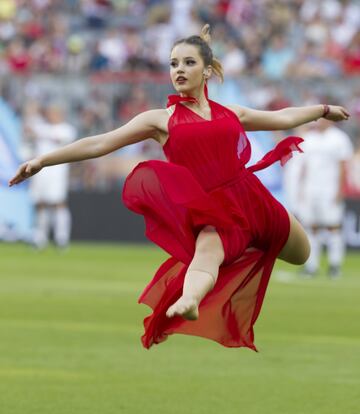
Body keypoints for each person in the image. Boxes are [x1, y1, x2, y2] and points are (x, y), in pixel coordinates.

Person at [9, 25, 350, 350]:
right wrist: (43, 160)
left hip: (252, 198)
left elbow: (283, 117)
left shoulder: (230, 112)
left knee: (302, 253)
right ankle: (190, 299)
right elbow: (100, 143)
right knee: (207, 255)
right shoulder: (161, 120)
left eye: (189, 62)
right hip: (215, 211)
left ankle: (223, 275)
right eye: (173, 63)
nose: (179, 70)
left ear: (208, 71)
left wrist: (323, 110)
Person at [297, 119, 354, 277]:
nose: (319, 121)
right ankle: (311, 266)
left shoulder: (339, 138)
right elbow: (304, 165)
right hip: (311, 189)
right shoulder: (309, 138)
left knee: (333, 226)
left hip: (329, 189)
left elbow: (343, 165)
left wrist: (340, 189)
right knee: (311, 226)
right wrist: (301, 187)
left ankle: (335, 265)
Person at [25, 103, 77, 249]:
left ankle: (61, 238)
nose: (51, 115)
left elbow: (58, 140)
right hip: (40, 173)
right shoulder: (42, 127)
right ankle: (40, 238)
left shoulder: (67, 130)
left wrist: (38, 132)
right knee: (40, 203)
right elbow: (28, 130)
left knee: (58, 203)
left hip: (57, 172)